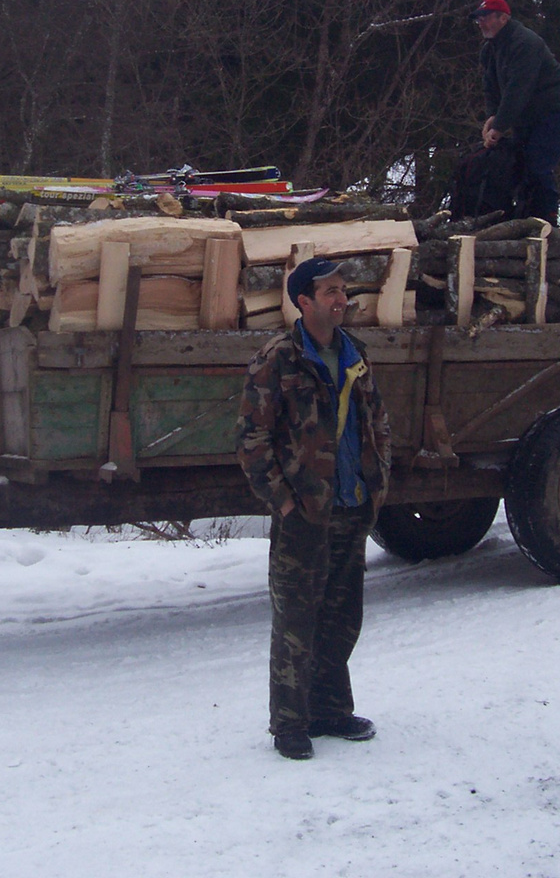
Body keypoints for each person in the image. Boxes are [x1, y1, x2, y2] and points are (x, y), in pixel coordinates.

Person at [237, 257, 392, 760]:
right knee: (296, 620)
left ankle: (331, 710)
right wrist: (284, 502)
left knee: (343, 617)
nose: (341, 299)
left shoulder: (355, 354)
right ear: (303, 301)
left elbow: (377, 423)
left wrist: (378, 484)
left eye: (343, 289)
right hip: (305, 512)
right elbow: (251, 440)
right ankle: (290, 724)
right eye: (330, 291)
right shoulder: (277, 359)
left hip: (351, 504)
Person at [470, 0, 560, 225]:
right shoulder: (490, 49)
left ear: (503, 18)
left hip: (552, 110)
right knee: (518, 166)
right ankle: (524, 219)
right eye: (478, 19)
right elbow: (491, 87)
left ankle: (546, 222)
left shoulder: (525, 43)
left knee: (538, 166)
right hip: (525, 115)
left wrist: (498, 128)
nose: (481, 23)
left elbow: (518, 90)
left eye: (486, 18)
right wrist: (491, 118)